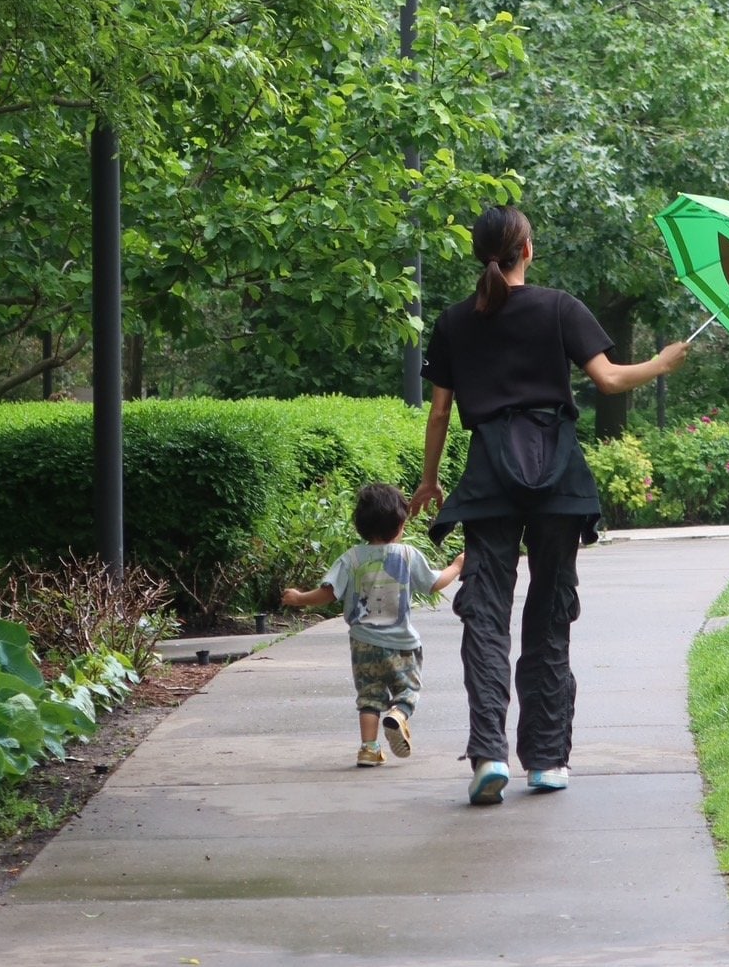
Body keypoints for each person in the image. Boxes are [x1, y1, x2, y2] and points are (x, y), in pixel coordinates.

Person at [409, 204, 688, 806]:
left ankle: (488, 753)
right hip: (558, 471)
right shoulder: (561, 307)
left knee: (485, 611)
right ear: (527, 250)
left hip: (488, 474)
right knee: (550, 608)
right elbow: (610, 380)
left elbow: (438, 412)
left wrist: (430, 481)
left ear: (481, 253)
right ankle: (548, 760)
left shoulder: (456, 321)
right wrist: (662, 363)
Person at [282, 482, 464, 767]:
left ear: (361, 526)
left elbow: (328, 593)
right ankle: (398, 716)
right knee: (407, 691)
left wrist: (298, 598)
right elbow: (433, 584)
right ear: (400, 524)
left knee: (369, 696)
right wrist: (456, 566)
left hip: (363, 642)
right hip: (401, 643)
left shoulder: (351, 558)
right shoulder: (407, 555)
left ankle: (369, 748)